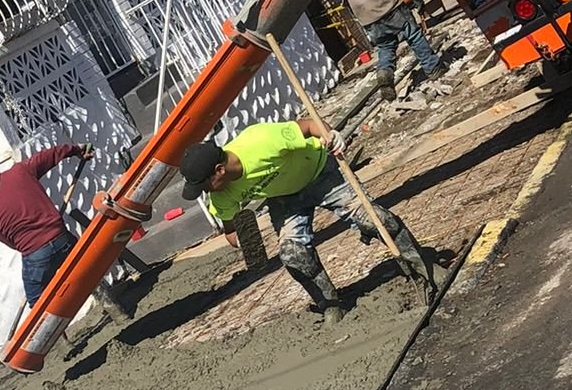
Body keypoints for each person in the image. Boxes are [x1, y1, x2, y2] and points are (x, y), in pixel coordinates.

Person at [178, 118, 437, 324]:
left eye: (204, 185)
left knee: (375, 219)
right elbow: (231, 230)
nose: (205, 192)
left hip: (321, 173)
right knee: (293, 255)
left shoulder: (260, 140)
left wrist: (330, 135)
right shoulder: (220, 195)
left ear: (219, 170)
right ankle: (331, 304)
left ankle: (423, 266)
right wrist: (246, 242)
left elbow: (309, 125)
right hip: (285, 198)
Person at [0, 142, 93, 305]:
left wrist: (35, 246)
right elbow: (50, 155)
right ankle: (108, 300)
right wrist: (77, 150)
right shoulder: (20, 171)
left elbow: (10, 242)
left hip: (35, 254)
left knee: (37, 302)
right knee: (86, 270)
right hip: (62, 239)